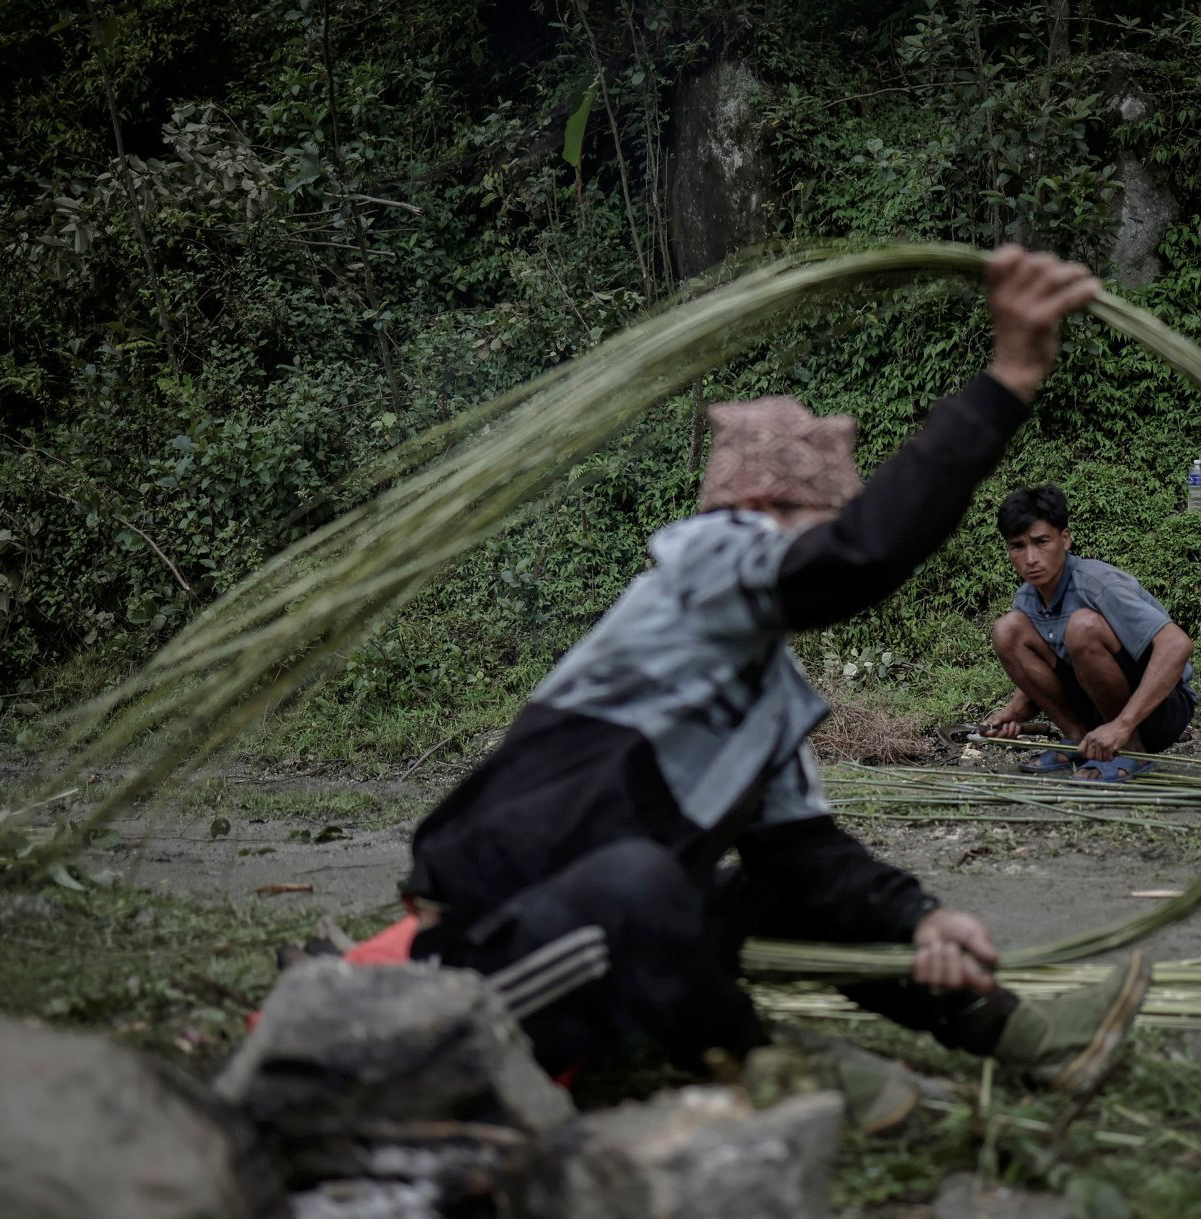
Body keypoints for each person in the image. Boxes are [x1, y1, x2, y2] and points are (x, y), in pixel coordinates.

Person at [402, 247, 1151, 1131]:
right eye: (816, 524)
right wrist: (1010, 376)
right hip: (494, 946)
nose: (822, 543)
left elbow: (808, 856)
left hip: (615, 944)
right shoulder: (698, 572)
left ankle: (1026, 1039)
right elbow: (856, 560)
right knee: (640, 883)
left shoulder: (765, 685)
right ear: (760, 513)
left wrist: (920, 921)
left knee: (781, 887)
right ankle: (769, 1065)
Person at [980, 484, 1196, 781]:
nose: (1030, 558)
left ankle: (1132, 751)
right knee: (1007, 628)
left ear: (1065, 539)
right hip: (1098, 713)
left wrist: (1121, 726)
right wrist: (1014, 712)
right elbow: (1048, 672)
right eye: (1018, 546)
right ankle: (1080, 741)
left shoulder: (1096, 582)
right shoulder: (1026, 599)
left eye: (1041, 542)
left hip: (1158, 711)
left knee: (1082, 626)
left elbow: (1177, 645)